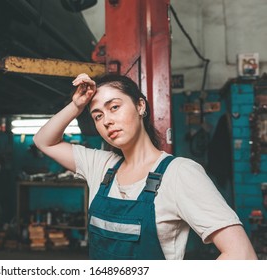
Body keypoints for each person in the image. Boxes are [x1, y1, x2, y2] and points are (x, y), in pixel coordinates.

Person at [33, 73, 257, 260]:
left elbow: (242, 255)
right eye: (98, 115)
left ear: (140, 106)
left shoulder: (179, 173)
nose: (107, 120)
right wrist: (76, 105)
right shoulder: (101, 166)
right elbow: (44, 140)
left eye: (114, 107)